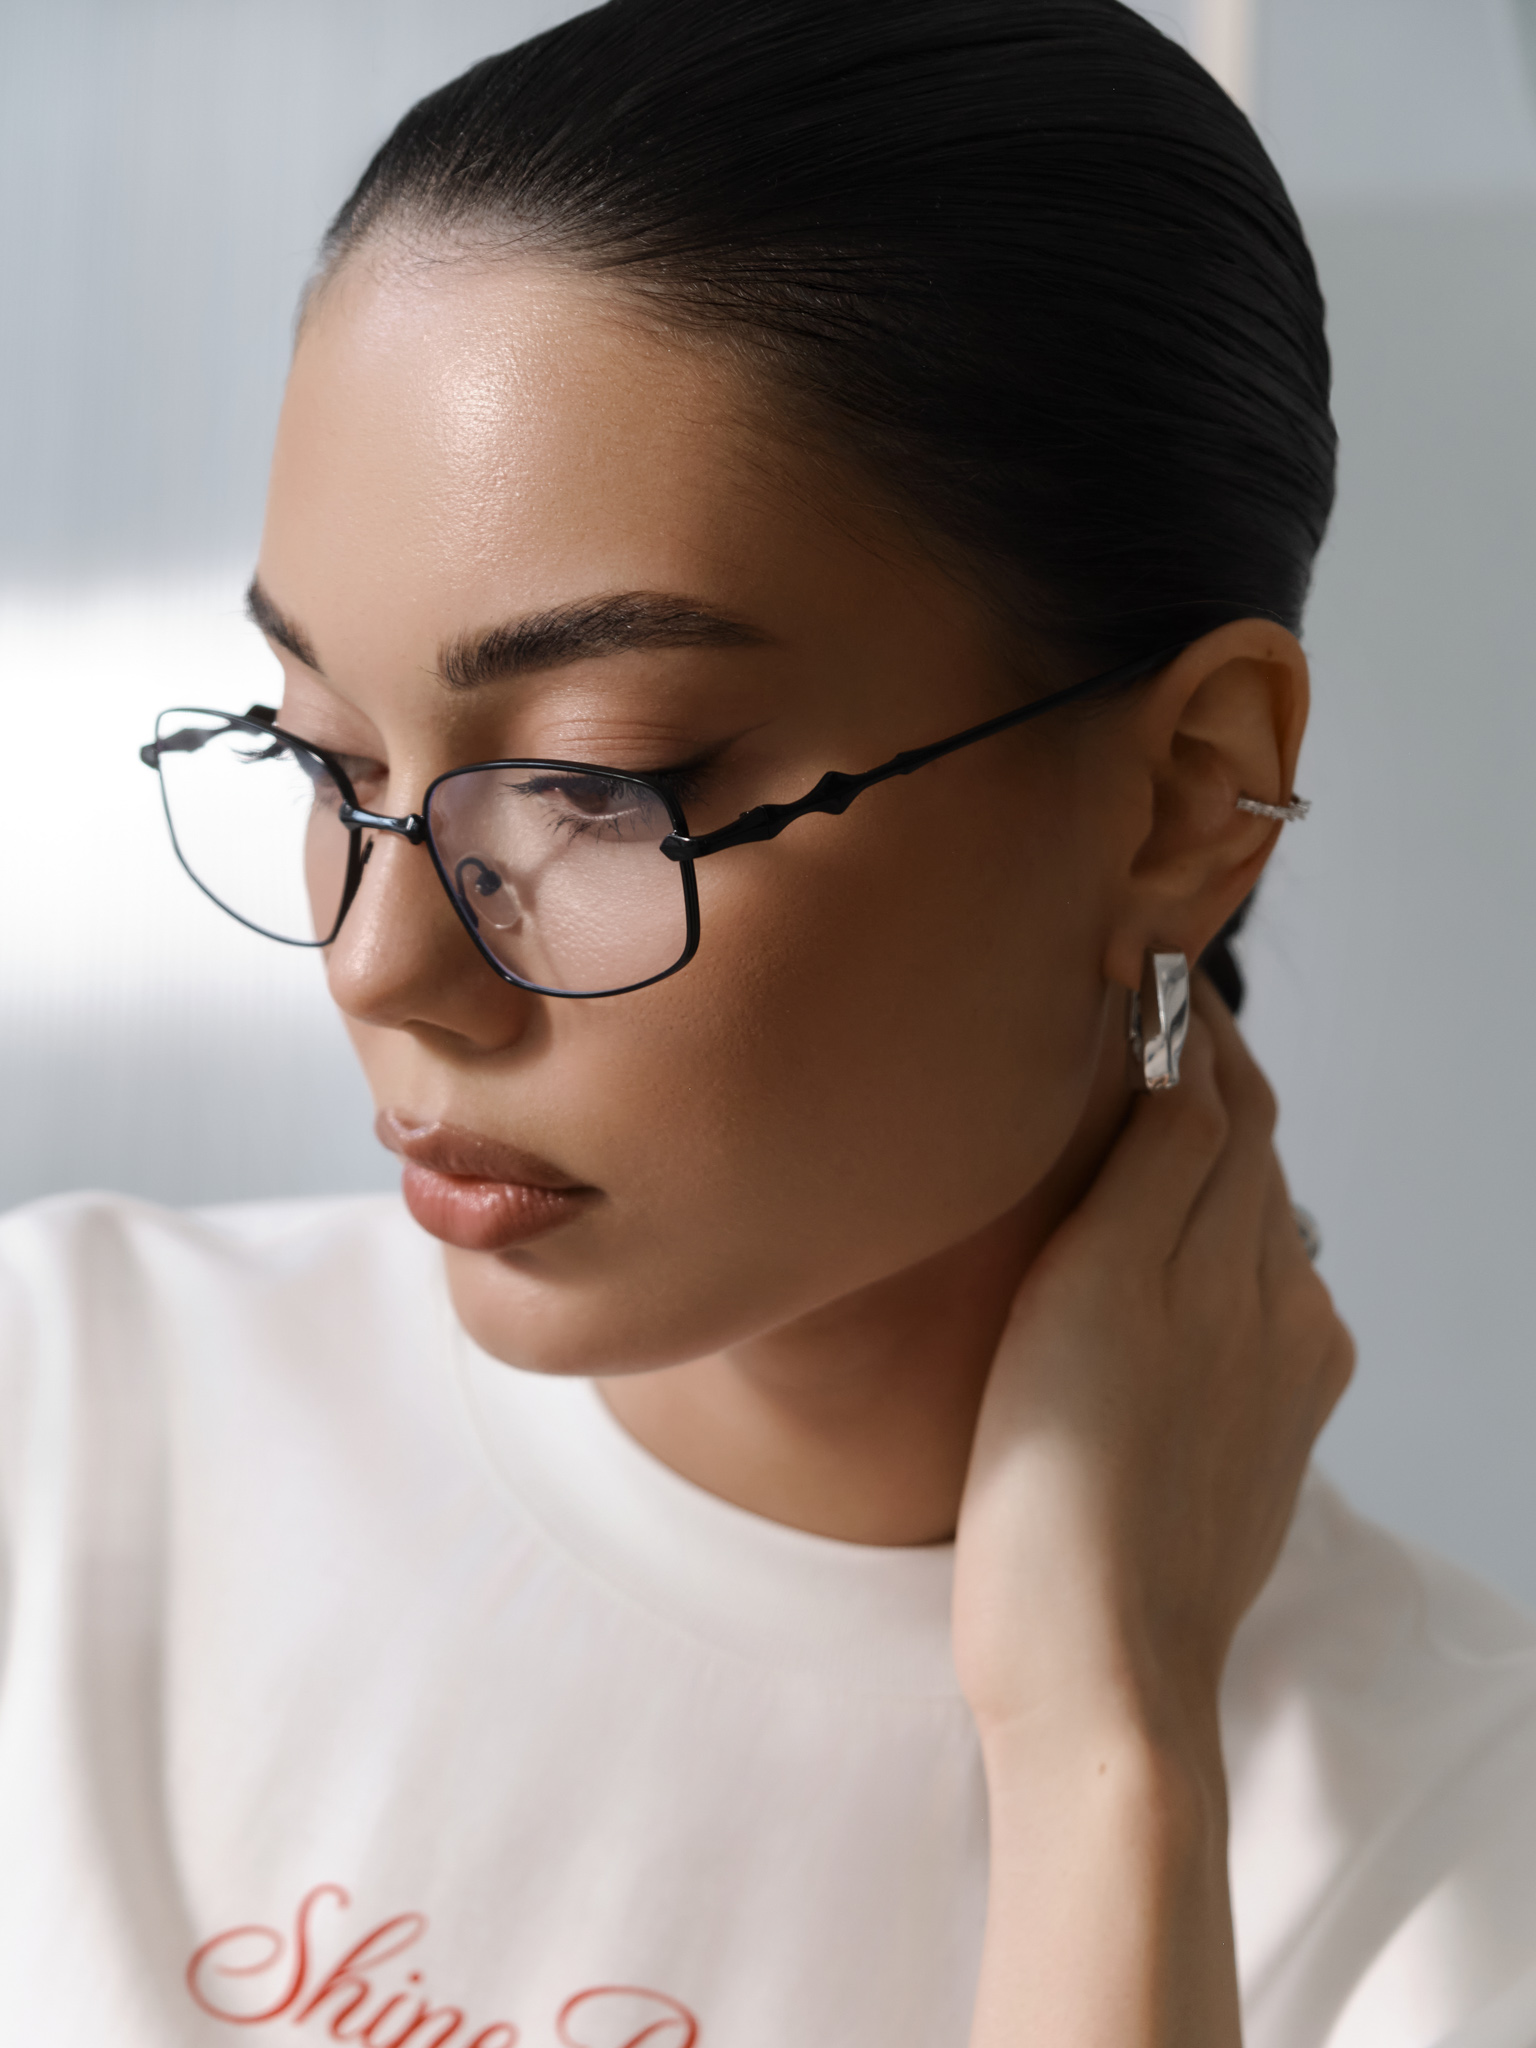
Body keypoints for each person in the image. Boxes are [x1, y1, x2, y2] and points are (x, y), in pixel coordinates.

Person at [4, 2, 1535, 2042]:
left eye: (596, 784)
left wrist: (1108, 1762)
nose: (377, 962)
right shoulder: (58, 1427)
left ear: (1188, 794)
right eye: (324, 755)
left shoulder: (1453, 1839)